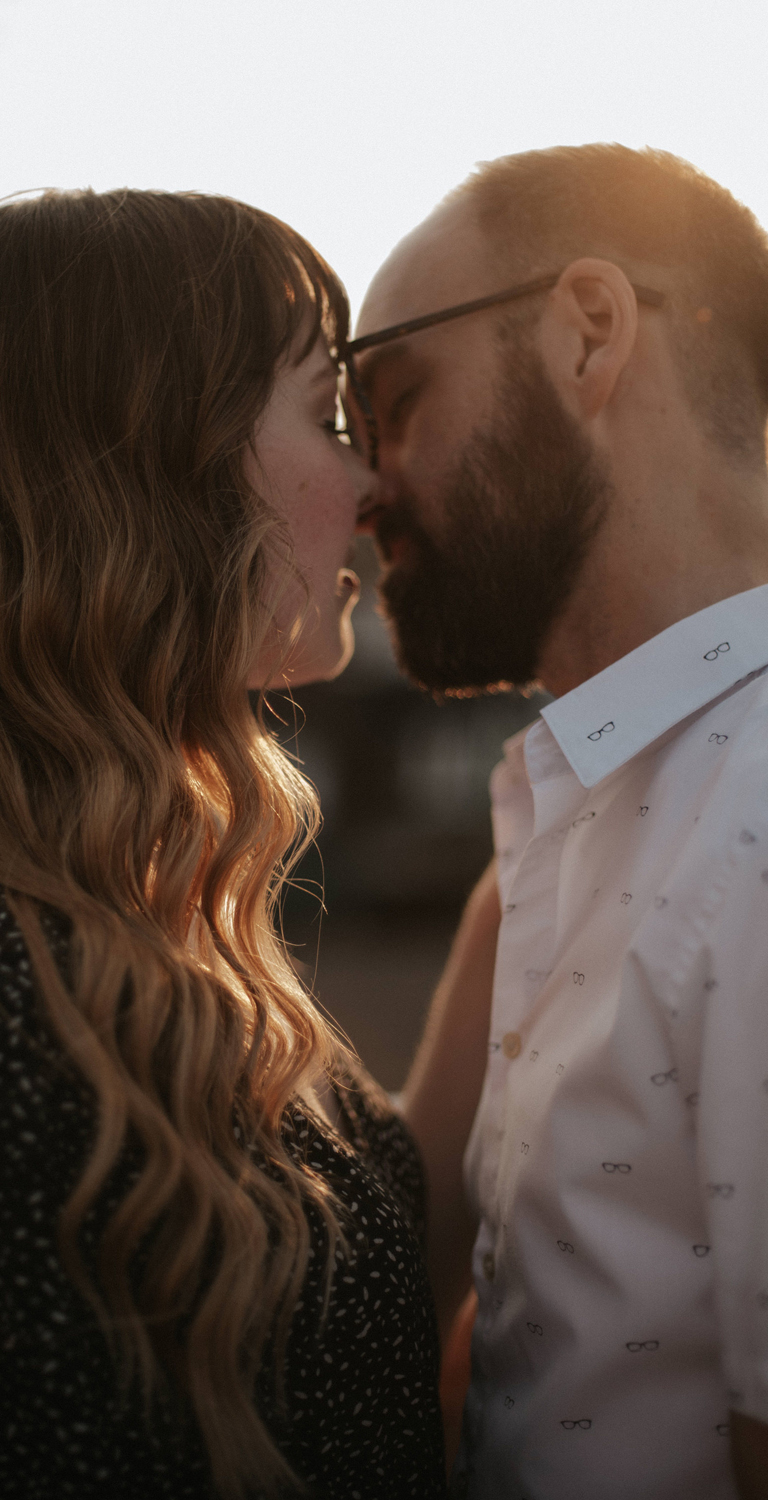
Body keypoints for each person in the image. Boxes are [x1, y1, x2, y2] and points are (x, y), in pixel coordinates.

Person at [0, 188, 509, 1499]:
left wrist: (524, 903)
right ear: (158, 473)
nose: (372, 479)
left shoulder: (110, 922)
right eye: (326, 417)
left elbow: (364, 1269)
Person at [350, 144, 768, 1500]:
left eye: (394, 397)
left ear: (588, 335)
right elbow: (421, 1279)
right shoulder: (566, 818)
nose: (363, 483)